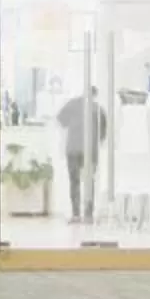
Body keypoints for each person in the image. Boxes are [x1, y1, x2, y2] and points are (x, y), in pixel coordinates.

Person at [55, 87, 109, 223]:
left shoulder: (72, 104)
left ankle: (76, 214)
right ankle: (88, 214)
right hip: (90, 151)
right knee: (89, 181)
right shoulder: (98, 109)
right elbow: (103, 134)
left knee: (74, 181)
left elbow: (61, 121)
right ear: (95, 95)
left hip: (73, 149)